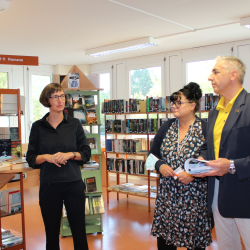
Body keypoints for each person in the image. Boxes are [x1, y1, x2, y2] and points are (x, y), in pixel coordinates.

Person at [26, 83, 91, 250]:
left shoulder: (75, 124)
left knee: (79, 232)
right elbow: (31, 158)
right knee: (51, 234)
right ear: (47, 100)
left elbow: (85, 153)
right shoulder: (38, 127)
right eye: (55, 97)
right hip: (49, 186)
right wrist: (46, 157)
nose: (60, 100)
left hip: (73, 184)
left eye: (62, 96)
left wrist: (69, 154)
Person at [195, 56, 250, 250]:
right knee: (227, 247)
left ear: (233, 75)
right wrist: (201, 159)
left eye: (216, 72)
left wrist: (232, 165)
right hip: (218, 191)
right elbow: (209, 146)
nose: (210, 77)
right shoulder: (214, 112)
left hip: (245, 193)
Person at [149, 82, 212, 250]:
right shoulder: (166, 126)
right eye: (173, 102)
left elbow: (211, 160)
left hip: (194, 198)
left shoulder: (205, 128)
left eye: (179, 102)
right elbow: (150, 157)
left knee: (195, 243)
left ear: (192, 105)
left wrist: (192, 173)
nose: (174, 106)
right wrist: (160, 165)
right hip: (167, 197)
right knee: (165, 243)